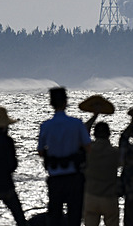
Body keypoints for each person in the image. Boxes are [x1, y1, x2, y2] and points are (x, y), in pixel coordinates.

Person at [37, 87, 92, 226]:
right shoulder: (76, 124)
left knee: (54, 217)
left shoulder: (46, 126)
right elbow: (88, 147)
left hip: (55, 176)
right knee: (75, 217)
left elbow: (41, 152)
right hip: (74, 176)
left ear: (51, 103)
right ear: (66, 102)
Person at [83, 121, 120, 226]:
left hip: (91, 195)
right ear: (109, 134)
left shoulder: (89, 150)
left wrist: (95, 115)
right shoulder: (114, 153)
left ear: (94, 134)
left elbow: (84, 132)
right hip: (109, 196)